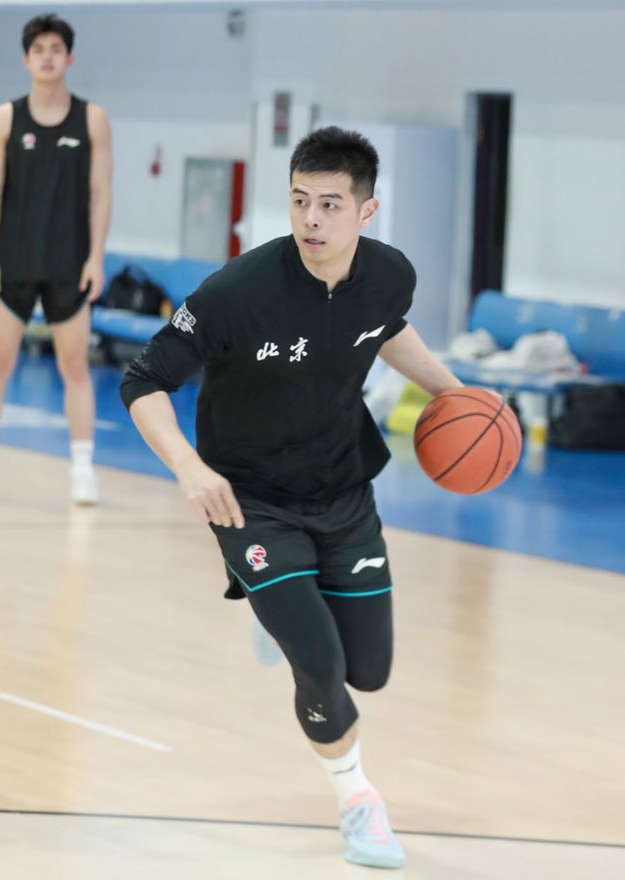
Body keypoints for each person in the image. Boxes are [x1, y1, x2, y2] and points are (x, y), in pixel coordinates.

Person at [120, 126, 462, 869]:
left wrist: (457, 394)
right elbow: (143, 380)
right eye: (300, 200)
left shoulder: (390, 275)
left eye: (330, 204)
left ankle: (277, 607)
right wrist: (189, 468)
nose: (311, 218)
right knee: (320, 663)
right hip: (250, 503)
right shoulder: (236, 292)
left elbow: (384, 329)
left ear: (365, 212)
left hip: (343, 490)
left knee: (368, 671)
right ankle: (359, 803)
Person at [0, 14, 112, 504]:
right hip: (14, 261)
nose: (47, 57)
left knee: (75, 367)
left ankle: (83, 470)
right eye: (38, 50)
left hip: (70, 263)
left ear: (69, 58)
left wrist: (95, 258)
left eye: (56, 49)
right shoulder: (4, 119)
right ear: (25, 60)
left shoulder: (92, 119)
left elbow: (101, 192)